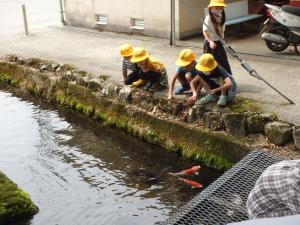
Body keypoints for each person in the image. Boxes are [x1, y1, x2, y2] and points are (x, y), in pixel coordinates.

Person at [203, 0, 232, 74]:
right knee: (211, 63)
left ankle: (225, 78)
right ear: (211, 8)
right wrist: (210, 41)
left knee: (223, 62)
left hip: (219, 43)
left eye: (221, 8)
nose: (219, 9)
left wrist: (223, 41)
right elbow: (204, 31)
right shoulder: (208, 18)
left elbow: (222, 32)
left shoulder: (221, 17)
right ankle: (211, 79)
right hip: (211, 44)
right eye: (217, 7)